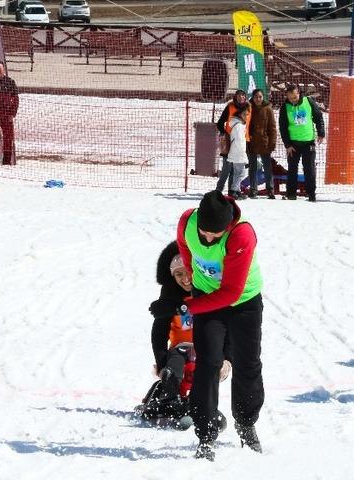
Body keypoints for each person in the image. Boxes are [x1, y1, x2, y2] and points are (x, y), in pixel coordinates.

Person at [176, 191, 264, 460]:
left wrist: (189, 307)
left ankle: (246, 423)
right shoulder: (187, 221)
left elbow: (231, 293)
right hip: (206, 296)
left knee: (247, 363)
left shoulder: (241, 234)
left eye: (215, 234)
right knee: (208, 363)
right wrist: (193, 276)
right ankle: (205, 434)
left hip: (243, 301)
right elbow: (184, 247)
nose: (208, 239)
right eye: (204, 232)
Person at [144, 242, 232, 421]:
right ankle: (170, 398)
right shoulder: (170, 296)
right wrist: (161, 363)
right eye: (179, 274)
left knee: (207, 373)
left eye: (188, 272)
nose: (185, 279)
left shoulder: (211, 292)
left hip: (207, 349)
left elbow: (229, 327)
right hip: (180, 349)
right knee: (173, 370)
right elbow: (159, 332)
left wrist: (227, 359)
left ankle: (204, 406)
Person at [278, 83, 325, 202]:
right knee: (292, 169)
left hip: (308, 142)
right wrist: (287, 145)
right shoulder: (285, 107)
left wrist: (321, 133)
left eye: (295, 97)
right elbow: (283, 127)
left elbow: (318, 117)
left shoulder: (308, 101)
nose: (293, 100)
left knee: (309, 168)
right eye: (290, 98)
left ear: (299, 93)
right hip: (293, 144)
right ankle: (291, 194)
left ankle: (311, 194)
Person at [215, 90, 251, 197]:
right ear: (235, 97)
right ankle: (218, 190)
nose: (241, 97)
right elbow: (220, 123)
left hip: (243, 142)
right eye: (239, 95)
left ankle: (233, 190)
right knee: (226, 169)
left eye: (243, 95)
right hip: (230, 142)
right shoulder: (230, 107)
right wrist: (225, 134)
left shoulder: (248, 108)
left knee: (237, 170)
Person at [247, 89, 277, 199]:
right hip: (251, 142)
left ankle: (270, 189)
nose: (258, 99)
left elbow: (272, 127)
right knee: (252, 166)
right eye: (256, 97)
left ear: (263, 97)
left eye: (260, 97)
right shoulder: (248, 107)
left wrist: (272, 143)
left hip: (264, 142)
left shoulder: (267, 108)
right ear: (253, 97)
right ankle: (253, 189)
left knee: (267, 166)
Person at [225, 105, 250, 199]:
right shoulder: (238, 126)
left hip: (236, 152)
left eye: (247, 114)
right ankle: (233, 190)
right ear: (240, 114)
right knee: (241, 173)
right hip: (238, 153)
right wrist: (244, 155)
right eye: (244, 114)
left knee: (237, 172)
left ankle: (237, 190)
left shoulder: (238, 124)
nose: (246, 116)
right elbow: (239, 142)